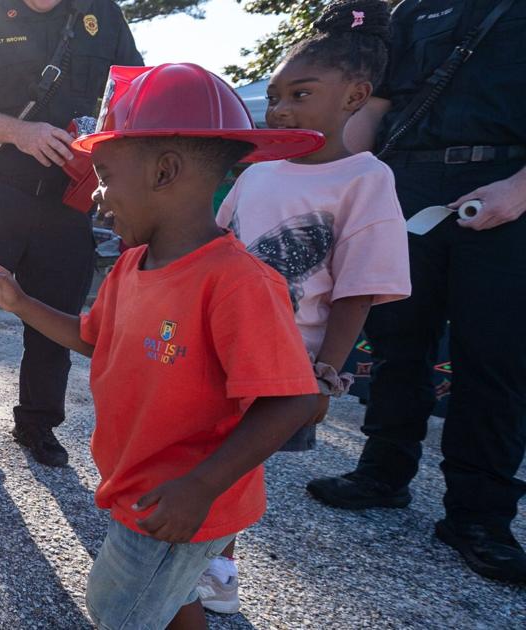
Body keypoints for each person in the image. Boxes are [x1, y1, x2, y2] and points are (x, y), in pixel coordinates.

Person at [0, 63, 324, 629]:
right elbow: (94, 340)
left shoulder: (237, 281)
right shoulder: (132, 263)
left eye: (105, 174)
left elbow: (294, 401)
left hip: (177, 502)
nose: (97, 195)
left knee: (118, 611)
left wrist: (200, 488)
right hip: (140, 486)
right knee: (171, 597)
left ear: (165, 171)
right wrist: (19, 303)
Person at [195, 0, 413, 613]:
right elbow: (214, 245)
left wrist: (326, 368)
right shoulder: (258, 171)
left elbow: (359, 286)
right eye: (275, 96)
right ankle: (196, 549)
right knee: (199, 442)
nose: (283, 109)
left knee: (236, 461)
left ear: (354, 96)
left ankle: (216, 565)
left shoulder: (366, 179)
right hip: (215, 339)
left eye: (301, 93)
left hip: (285, 360)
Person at [308, 0, 526, 584]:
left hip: (507, 190)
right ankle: (383, 472)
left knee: (493, 357)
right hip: (405, 185)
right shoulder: (410, 12)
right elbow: (373, 108)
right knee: (397, 337)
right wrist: (334, 180)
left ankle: (480, 517)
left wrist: (519, 189)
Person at [0, 0, 143, 465]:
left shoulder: (102, 16)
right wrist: (19, 132)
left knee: (56, 322)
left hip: (70, 201)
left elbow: (133, 96)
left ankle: (37, 425)